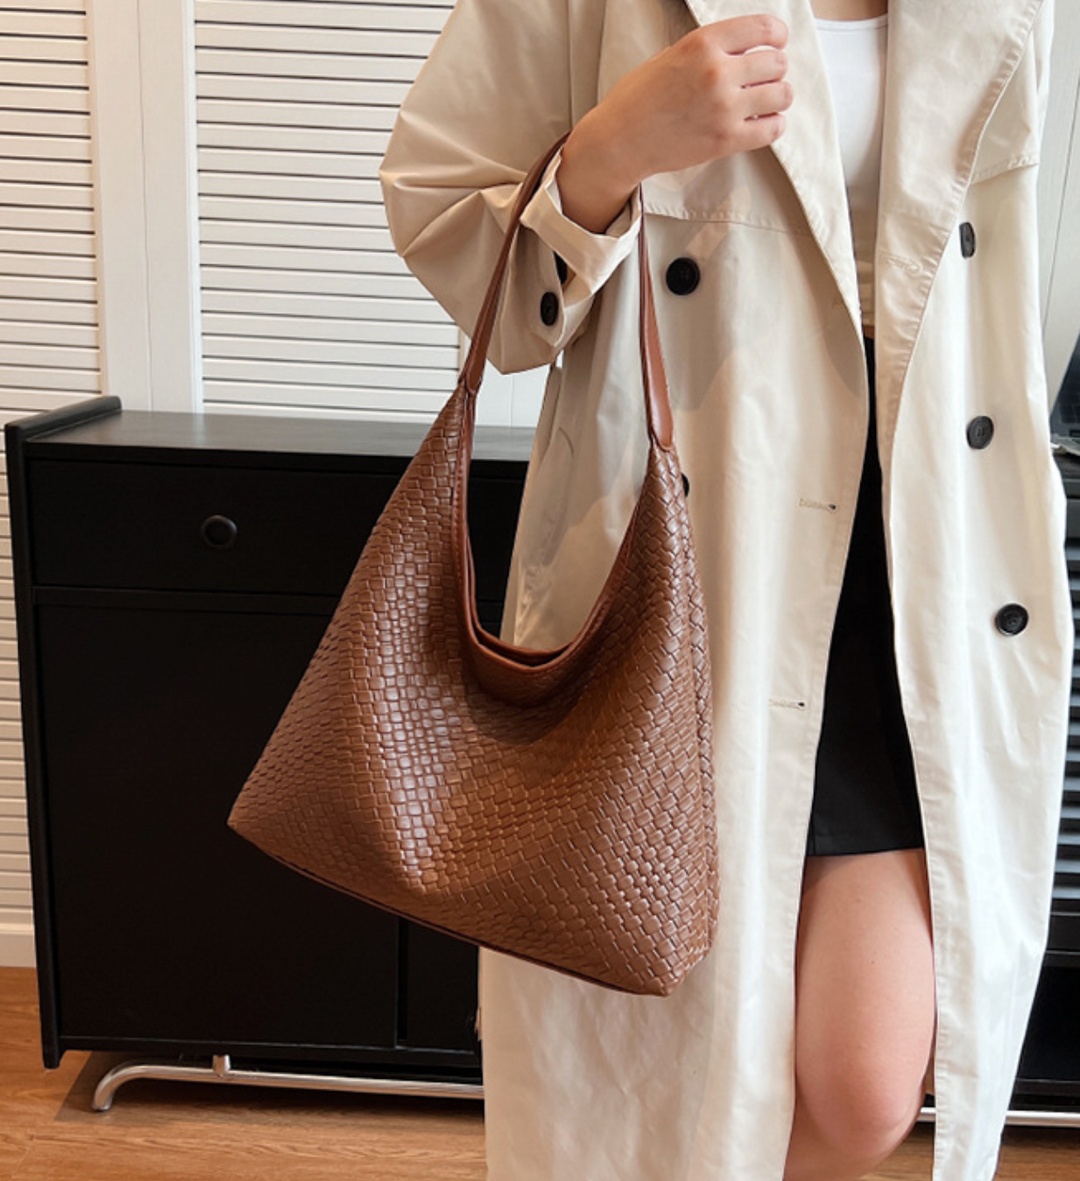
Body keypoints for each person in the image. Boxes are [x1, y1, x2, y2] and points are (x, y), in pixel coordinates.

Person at [379, 1, 1071, 1178]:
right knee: (667, 1070)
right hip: (701, 530)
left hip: (922, 554)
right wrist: (610, 151)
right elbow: (446, 219)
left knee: (865, 1086)